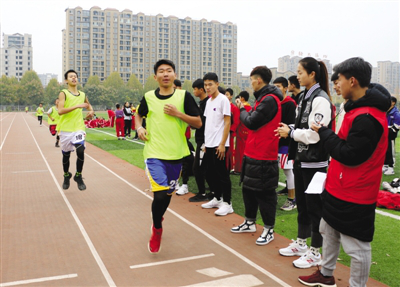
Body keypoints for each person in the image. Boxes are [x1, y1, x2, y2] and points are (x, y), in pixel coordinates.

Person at [298, 57, 391, 287]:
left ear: (352, 80)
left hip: (356, 192)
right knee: (328, 231)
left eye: (338, 80)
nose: (336, 85)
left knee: (356, 246)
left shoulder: (368, 117)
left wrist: (325, 133)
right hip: (338, 185)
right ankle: (326, 274)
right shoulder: (354, 108)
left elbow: (350, 154)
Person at [135, 59, 201, 254]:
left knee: (166, 196)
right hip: (154, 153)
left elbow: (197, 122)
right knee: (161, 192)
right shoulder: (148, 97)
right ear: (155, 77)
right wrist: (139, 127)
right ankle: (157, 229)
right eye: (161, 71)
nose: (165, 74)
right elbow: (139, 115)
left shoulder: (184, 96)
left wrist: (178, 114)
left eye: (169, 71)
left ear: (174, 75)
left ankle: (159, 215)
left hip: (176, 154)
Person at [275, 57, 334, 268]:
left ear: (312, 74)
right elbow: (302, 126)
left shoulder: (320, 99)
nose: (297, 76)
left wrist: (290, 132)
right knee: (303, 207)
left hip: (315, 163)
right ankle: (301, 243)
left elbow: (316, 135)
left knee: (315, 209)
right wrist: (289, 128)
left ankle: (316, 252)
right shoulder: (304, 98)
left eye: (300, 72)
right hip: (301, 160)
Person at [230, 66, 282, 245]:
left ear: (259, 80)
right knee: (248, 189)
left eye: (251, 79)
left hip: (264, 154)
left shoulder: (270, 100)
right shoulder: (263, 99)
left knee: (265, 193)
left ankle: (269, 229)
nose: (250, 83)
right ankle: (249, 222)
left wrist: (242, 110)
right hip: (253, 151)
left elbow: (251, 122)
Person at [201, 72, 233, 216]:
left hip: (219, 144)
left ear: (217, 84)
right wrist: (205, 143)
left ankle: (227, 203)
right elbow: (209, 123)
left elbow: (227, 122)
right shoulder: (209, 101)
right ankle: (217, 198)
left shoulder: (223, 100)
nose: (207, 87)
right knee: (208, 172)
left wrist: (222, 144)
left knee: (222, 174)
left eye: (210, 84)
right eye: (205, 85)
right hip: (209, 143)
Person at [57, 69, 94, 191]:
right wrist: (77, 106)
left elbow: (88, 104)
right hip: (66, 129)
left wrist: (91, 111)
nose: (74, 78)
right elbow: (60, 111)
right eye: (71, 76)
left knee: (80, 150)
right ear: (66, 80)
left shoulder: (82, 94)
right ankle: (67, 175)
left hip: (78, 127)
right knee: (66, 156)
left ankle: (78, 176)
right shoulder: (64, 93)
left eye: (75, 76)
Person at [272, 77, 297, 211]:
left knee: (288, 171)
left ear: (285, 88)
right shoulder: (274, 102)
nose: (276, 89)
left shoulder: (290, 104)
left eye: (279, 86)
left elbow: (291, 126)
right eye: (274, 86)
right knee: (274, 170)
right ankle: (272, 197)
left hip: (286, 144)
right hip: (274, 143)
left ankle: (292, 199)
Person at [189, 79, 213, 202]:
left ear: (201, 90)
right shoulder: (203, 103)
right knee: (205, 167)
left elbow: (202, 124)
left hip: (205, 140)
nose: (193, 91)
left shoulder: (207, 104)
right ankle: (212, 191)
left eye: (195, 89)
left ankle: (203, 193)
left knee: (198, 168)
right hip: (202, 139)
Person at [234, 91, 252, 174]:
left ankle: (239, 169)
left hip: (241, 131)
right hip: (248, 131)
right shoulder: (250, 107)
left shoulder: (240, 108)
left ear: (242, 98)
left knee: (239, 150)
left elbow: (237, 120)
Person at [383, 96, 400, 175]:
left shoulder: (395, 112)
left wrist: (392, 131)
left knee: (390, 150)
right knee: (384, 149)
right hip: (384, 133)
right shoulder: (386, 111)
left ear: (393, 103)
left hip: (390, 134)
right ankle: (385, 165)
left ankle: (391, 167)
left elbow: (398, 123)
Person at [225, 88, 240, 173]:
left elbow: (236, 121)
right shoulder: (222, 105)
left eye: (227, 94)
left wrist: (230, 130)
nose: (225, 96)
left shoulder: (234, 108)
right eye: (224, 94)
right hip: (221, 132)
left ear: (231, 96)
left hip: (229, 133)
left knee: (229, 151)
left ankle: (228, 168)